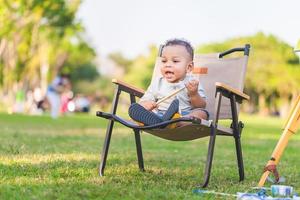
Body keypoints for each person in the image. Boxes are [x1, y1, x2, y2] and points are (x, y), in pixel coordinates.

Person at [128, 38, 209, 127]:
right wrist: (146, 104)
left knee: (202, 113)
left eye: (175, 61)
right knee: (136, 108)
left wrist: (194, 94)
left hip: (184, 116)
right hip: (161, 114)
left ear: (189, 67)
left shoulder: (192, 82)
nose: (168, 64)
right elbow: (145, 100)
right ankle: (161, 122)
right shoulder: (158, 83)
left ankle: (174, 122)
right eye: (164, 61)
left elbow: (201, 106)